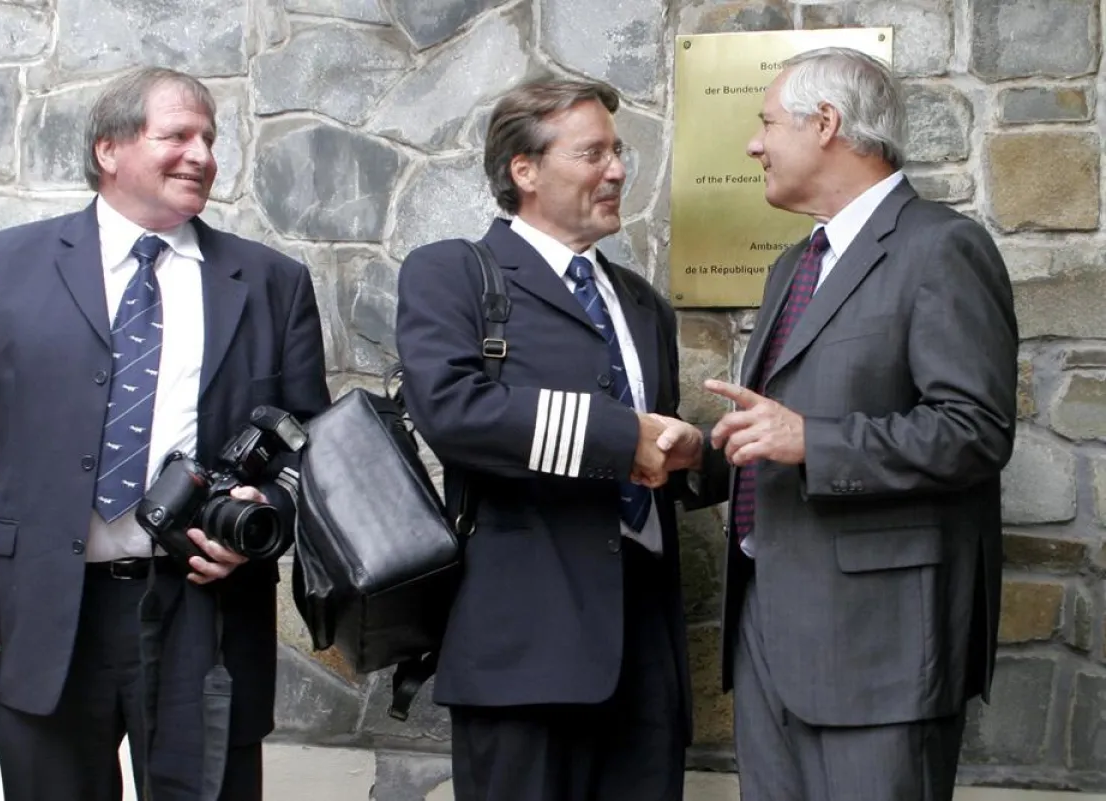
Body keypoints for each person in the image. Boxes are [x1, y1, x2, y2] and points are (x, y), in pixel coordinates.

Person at [0, 66, 330, 801]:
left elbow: (313, 448)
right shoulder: (7, 267)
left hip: (203, 617)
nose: (202, 154)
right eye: (177, 135)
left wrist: (260, 518)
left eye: (210, 138)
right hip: (46, 611)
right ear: (109, 150)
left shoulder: (273, 282)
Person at [679, 47, 1018, 800]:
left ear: (826, 123)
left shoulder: (942, 248)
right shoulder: (793, 264)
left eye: (767, 122)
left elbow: (975, 430)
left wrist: (814, 442)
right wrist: (696, 456)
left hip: (881, 649)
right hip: (768, 629)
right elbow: (774, 429)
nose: (753, 143)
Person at [395, 78, 707, 801]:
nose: (619, 170)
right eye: (593, 152)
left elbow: (657, 451)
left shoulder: (642, 303)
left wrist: (699, 455)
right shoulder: (453, 274)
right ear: (524, 171)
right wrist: (624, 435)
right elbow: (453, 411)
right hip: (523, 650)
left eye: (618, 152)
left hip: (645, 655)